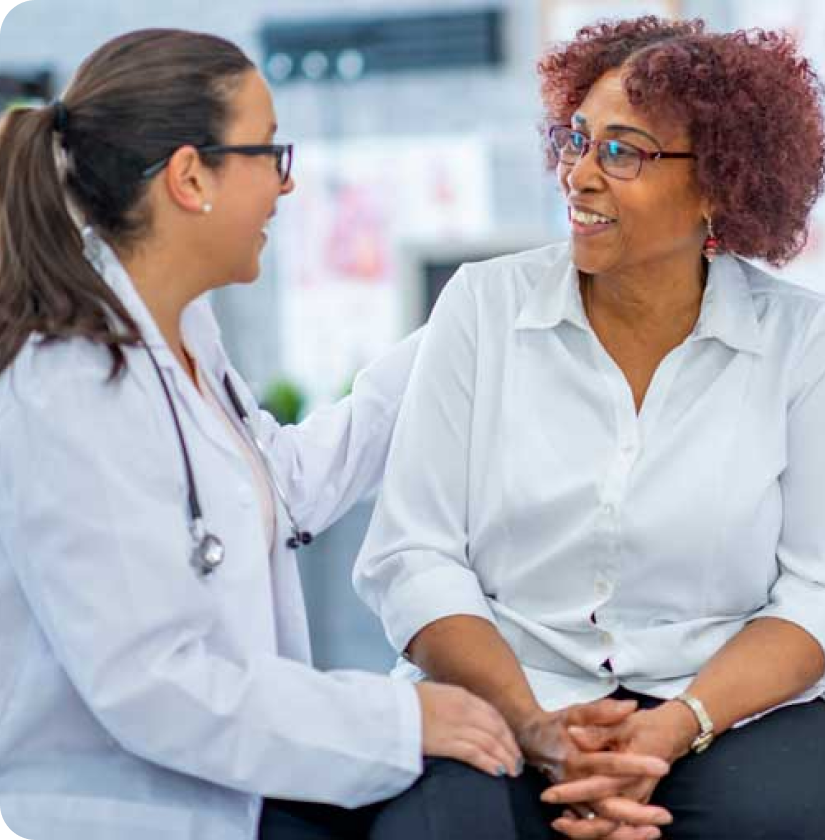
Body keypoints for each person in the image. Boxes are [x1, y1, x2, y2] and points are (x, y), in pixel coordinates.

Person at [0, 27, 674, 840]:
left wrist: (475, 322)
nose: (288, 185)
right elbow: (156, 687)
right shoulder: (71, 383)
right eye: (270, 154)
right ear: (189, 177)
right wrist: (398, 719)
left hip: (226, 776)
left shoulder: (183, 337)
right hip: (126, 807)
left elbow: (284, 483)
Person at [354, 15, 825, 840]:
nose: (579, 175)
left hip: (726, 700)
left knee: (754, 822)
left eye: (621, 151)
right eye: (575, 139)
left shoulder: (803, 342)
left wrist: (677, 723)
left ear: (720, 187)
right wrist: (534, 727)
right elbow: (414, 554)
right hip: (507, 684)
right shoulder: (483, 308)